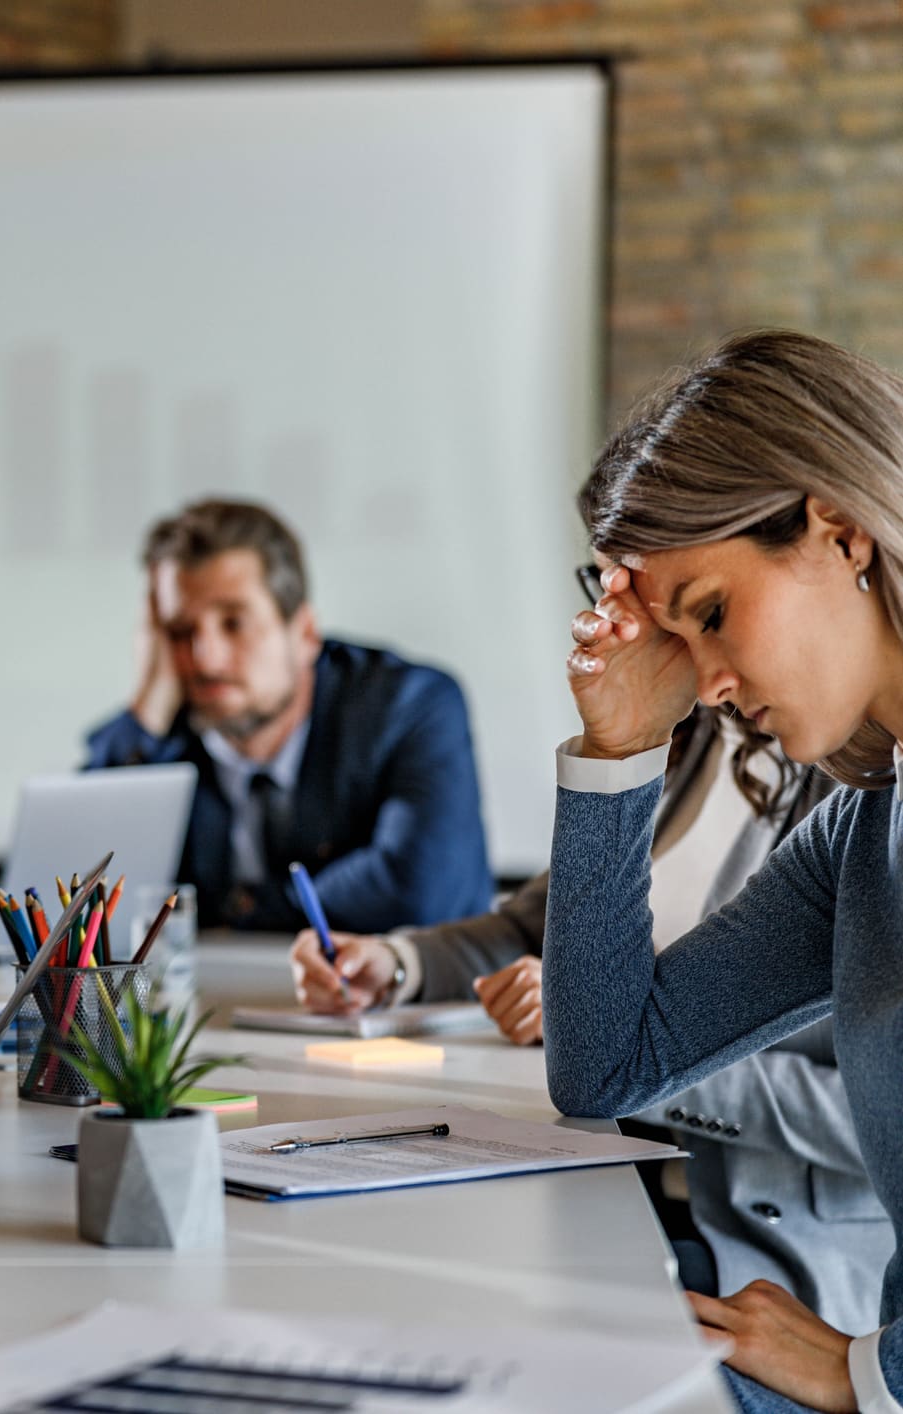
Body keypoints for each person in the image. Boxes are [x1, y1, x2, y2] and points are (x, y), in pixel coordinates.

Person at [546, 329, 903, 1412]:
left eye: (709, 613)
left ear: (839, 532)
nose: (705, 685)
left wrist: (863, 1370)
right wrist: (617, 753)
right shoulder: (864, 834)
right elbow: (608, 1065)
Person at [292, 707, 890, 1336]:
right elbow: (537, 926)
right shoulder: (692, 745)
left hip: (752, 1238)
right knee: (407, 1258)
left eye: (708, 612)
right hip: (605, 1166)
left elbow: (866, 1118)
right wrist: (395, 964)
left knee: (486, 1308)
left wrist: (616, 1030)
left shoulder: (855, 790)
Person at [85, 498, 492, 933]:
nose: (206, 659)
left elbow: (417, 892)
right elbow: (79, 907)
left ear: (305, 635)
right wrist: (146, 708)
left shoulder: (409, 705)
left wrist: (239, 908)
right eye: (180, 631)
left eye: (233, 623)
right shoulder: (156, 739)